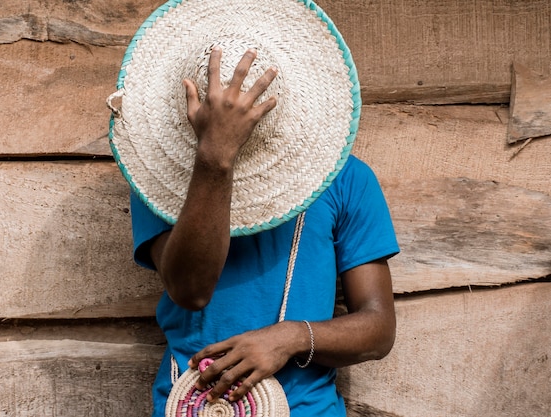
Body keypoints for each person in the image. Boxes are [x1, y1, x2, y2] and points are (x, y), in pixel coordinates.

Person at [129, 46, 400, 416]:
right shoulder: (157, 179)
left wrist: (291, 338)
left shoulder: (346, 179)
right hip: (194, 407)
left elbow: (378, 328)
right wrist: (216, 156)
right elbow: (190, 291)